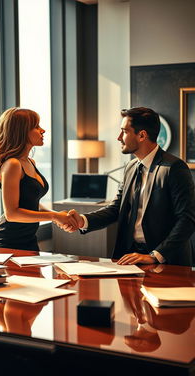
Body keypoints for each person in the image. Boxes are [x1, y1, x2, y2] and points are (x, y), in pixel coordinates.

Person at [63, 107, 195, 266]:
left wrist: (155, 256)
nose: (119, 137)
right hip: (129, 256)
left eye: (124, 131)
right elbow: (116, 209)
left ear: (142, 135)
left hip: (166, 261)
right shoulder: (131, 167)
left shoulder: (174, 168)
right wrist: (82, 221)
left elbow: (187, 220)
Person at [0, 107, 76, 251]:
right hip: (7, 241)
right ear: (21, 132)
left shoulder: (29, 162)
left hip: (29, 239)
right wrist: (54, 217)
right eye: (36, 126)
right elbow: (12, 214)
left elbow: (31, 203)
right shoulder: (13, 164)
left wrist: (58, 216)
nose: (43, 130)